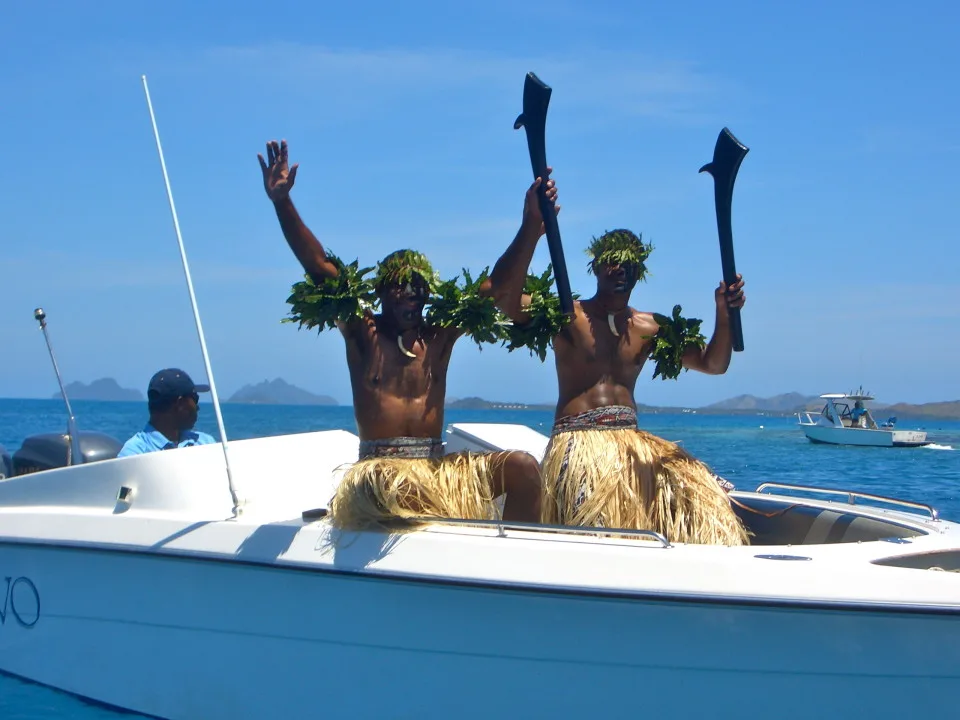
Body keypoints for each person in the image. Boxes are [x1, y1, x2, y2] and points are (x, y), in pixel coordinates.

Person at [258, 139, 547, 528]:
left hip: (434, 470)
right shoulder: (364, 334)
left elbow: (496, 286)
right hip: (381, 475)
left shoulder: (439, 337)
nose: (411, 293)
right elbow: (320, 266)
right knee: (404, 491)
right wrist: (282, 203)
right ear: (379, 292)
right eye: (399, 286)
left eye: (419, 287)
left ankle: (513, 571)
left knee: (523, 469)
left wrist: (530, 227)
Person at [487, 197, 749, 545]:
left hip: (631, 444)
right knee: (594, 524)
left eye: (629, 265)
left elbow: (714, 364)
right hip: (579, 445)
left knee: (707, 495)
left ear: (640, 273)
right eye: (611, 263)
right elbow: (502, 297)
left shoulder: (650, 327)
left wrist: (724, 311)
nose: (620, 271)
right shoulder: (567, 314)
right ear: (595, 267)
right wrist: (531, 229)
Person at [117, 369, 216, 457]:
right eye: (195, 399)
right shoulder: (133, 454)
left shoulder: (206, 442)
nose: (197, 407)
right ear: (180, 404)